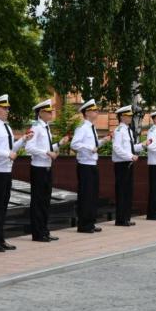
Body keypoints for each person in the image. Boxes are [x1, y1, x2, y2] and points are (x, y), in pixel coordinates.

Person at [25, 99, 69, 241]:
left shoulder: (46, 127)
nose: (51, 114)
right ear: (41, 113)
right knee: (38, 202)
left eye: (51, 111)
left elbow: (48, 148)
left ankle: (44, 230)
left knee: (45, 201)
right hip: (38, 168)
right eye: (48, 111)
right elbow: (28, 148)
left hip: (47, 168)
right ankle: (37, 233)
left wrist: (59, 144)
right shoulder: (36, 127)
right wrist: (47, 153)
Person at [0, 94, 32, 252]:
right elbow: (5, 152)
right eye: (4, 108)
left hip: (6, 171)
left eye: (8, 108)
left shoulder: (7, 127)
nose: (7, 110)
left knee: (3, 207)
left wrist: (23, 140)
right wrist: (6, 155)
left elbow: (11, 150)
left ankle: (0, 239)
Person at [70, 99, 111, 233]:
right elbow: (74, 144)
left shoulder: (92, 128)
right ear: (87, 113)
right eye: (94, 110)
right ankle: (83, 225)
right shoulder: (82, 128)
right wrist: (89, 148)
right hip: (85, 165)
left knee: (93, 195)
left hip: (92, 164)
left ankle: (90, 222)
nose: (97, 111)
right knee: (86, 195)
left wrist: (103, 141)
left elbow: (93, 146)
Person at [112, 104, 148, 226]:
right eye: (128, 116)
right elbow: (116, 148)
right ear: (122, 117)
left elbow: (131, 147)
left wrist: (142, 145)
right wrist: (130, 156)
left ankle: (126, 217)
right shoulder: (119, 130)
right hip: (122, 165)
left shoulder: (128, 131)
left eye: (130, 116)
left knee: (128, 191)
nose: (130, 118)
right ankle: (120, 219)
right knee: (122, 191)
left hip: (128, 163)